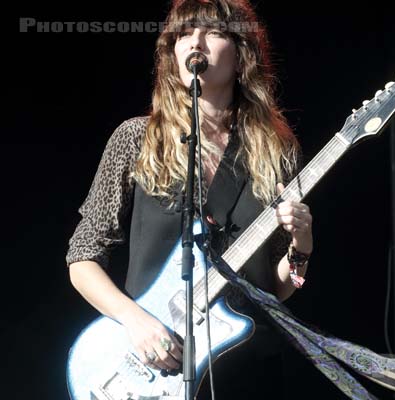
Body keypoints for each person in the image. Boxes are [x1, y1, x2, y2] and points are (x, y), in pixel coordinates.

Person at [66, 0, 312, 398]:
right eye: (183, 34)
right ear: (172, 52)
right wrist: (136, 320)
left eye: (212, 32)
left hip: (247, 367)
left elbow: (275, 288)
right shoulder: (136, 140)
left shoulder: (277, 153)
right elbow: (82, 256)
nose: (194, 42)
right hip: (155, 365)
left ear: (241, 55)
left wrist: (302, 245)